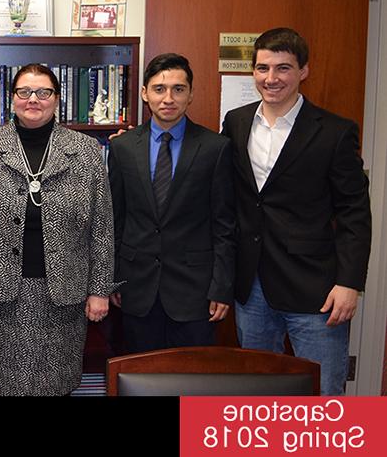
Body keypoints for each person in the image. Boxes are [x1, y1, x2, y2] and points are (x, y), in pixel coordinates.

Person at [221, 27, 371, 395]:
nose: (271, 79)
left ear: (303, 70)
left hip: (317, 291)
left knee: (322, 395)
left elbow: (354, 211)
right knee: (258, 392)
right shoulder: (236, 122)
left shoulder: (335, 132)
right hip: (251, 287)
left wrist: (349, 282)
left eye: (283, 68)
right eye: (262, 68)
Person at [0, 63, 114, 396]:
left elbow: (102, 227)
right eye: (24, 91)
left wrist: (99, 290)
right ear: (12, 98)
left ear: (57, 99)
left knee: (55, 382)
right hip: (1, 293)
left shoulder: (84, 151)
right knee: (5, 382)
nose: (33, 100)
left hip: (63, 295)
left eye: (44, 92)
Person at [107, 53, 235, 354]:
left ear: (190, 94)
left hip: (195, 293)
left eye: (178, 89)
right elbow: (115, 220)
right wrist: (113, 279)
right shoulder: (122, 147)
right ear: (144, 93)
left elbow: (225, 226)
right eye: (159, 88)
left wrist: (222, 288)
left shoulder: (215, 148)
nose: (168, 98)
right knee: (138, 379)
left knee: (191, 383)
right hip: (136, 289)